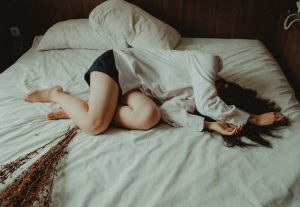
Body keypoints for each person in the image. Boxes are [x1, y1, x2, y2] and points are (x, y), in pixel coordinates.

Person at [24, 49, 287, 137]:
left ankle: (78, 109)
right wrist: (252, 119)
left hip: (135, 90)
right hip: (117, 66)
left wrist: (209, 125)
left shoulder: (196, 96)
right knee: (94, 125)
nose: (212, 98)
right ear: (222, 84)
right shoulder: (207, 61)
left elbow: (169, 111)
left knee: (149, 116)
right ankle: (55, 94)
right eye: (219, 95)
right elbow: (209, 101)